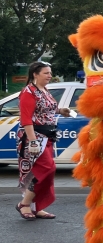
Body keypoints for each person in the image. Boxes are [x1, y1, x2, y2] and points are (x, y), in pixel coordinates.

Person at [15, 62, 71, 220]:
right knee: (46, 169)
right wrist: (32, 142)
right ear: (35, 74)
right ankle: (24, 204)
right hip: (35, 137)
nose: (50, 75)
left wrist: (61, 111)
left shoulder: (44, 90)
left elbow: (48, 108)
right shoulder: (28, 92)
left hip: (47, 137)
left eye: (50, 73)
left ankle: (37, 206)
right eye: (46, 73)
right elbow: (26, 119)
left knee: (43, 172)